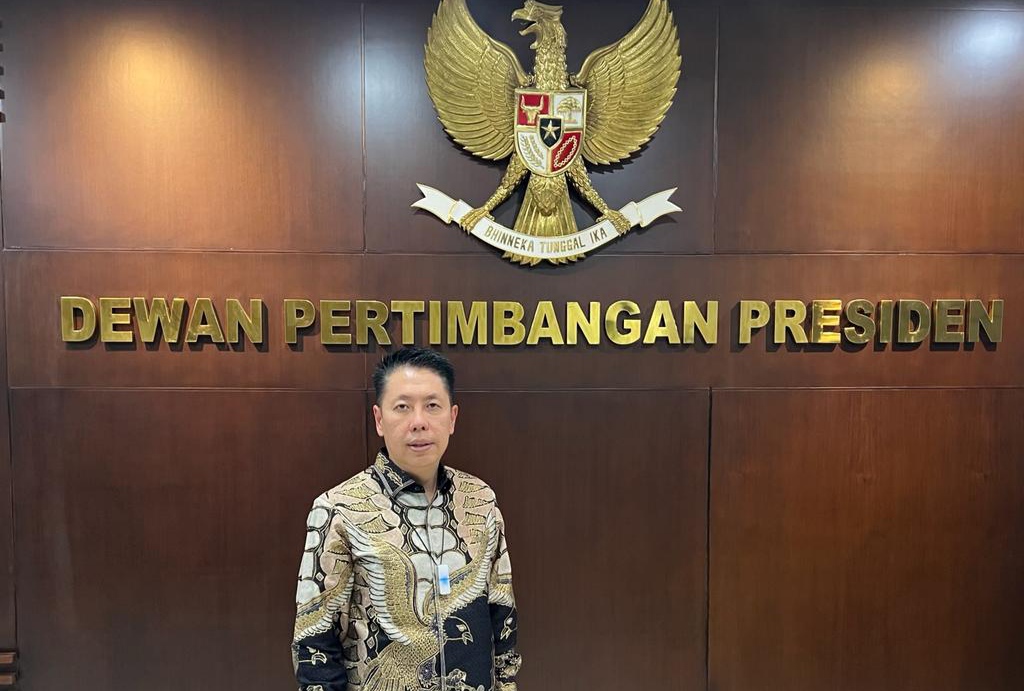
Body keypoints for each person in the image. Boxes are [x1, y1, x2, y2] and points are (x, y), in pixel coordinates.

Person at [292, 347, 521, 691]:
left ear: (452, 418)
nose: (419, 421)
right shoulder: (338, 508)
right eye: (402, 407)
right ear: (379, 419)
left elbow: (502, 611)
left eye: (432, 405)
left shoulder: (479, 498)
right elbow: (315, 643)